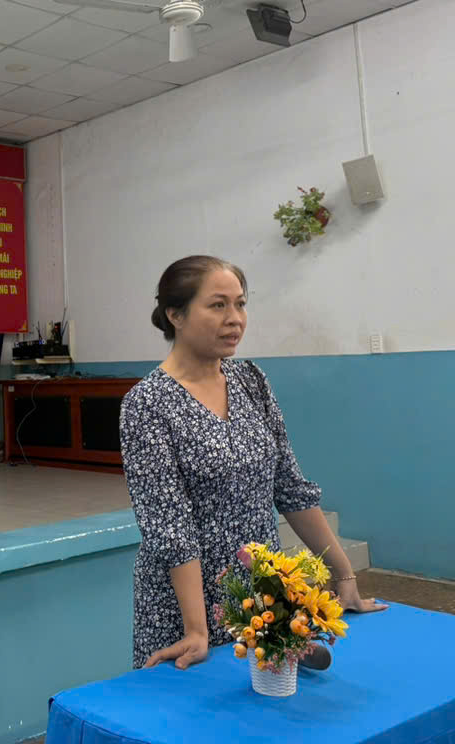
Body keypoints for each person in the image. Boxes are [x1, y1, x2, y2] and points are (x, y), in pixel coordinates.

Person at [120, 255, 384, 672]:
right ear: (176, 315)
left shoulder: (251, 381)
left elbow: (290, 487)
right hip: (186, 605)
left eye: (240, 304)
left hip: (259, 593)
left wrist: (344, 576)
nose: (235, 319)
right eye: (218, 305)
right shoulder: (147, 404)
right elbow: (171, 528)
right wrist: (196, 629)